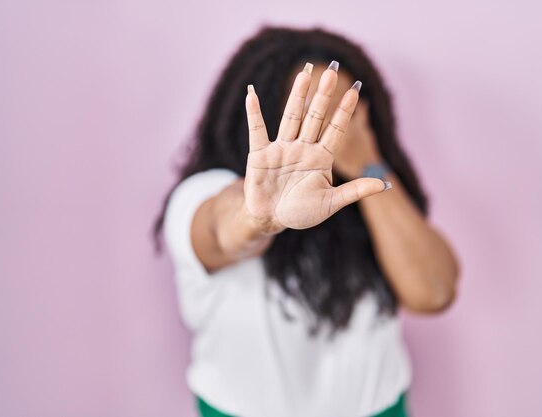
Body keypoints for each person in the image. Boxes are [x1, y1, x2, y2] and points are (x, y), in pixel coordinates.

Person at [153, 26, 460, 417]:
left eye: (343, 111)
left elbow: (434, 292)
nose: (329, 129)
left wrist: (369, 164)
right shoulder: (204, 193)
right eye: (308, 111)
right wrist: (257, 214)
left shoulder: (367, 192)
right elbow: (221, 230)